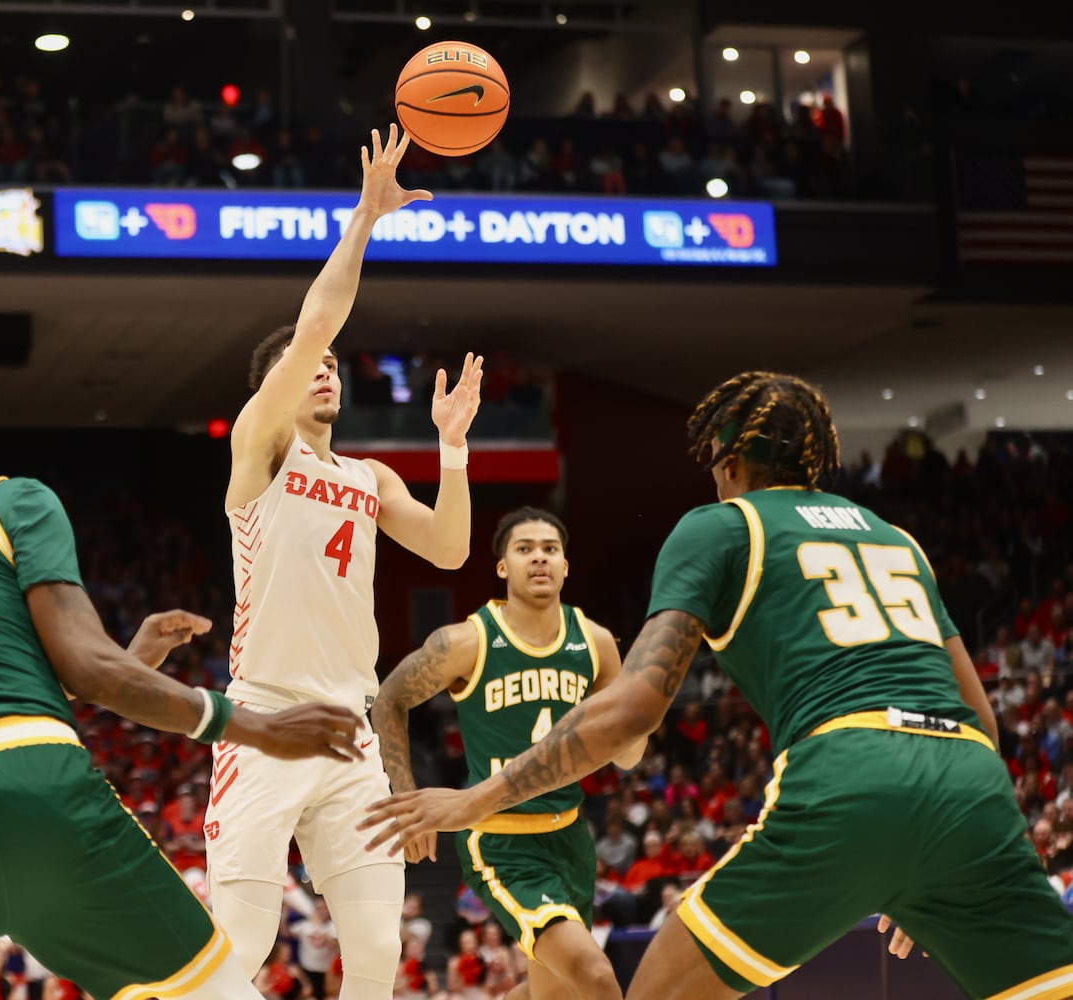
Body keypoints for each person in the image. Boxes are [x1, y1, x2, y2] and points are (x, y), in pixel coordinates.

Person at [363, 371, 1073, 1000]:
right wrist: (928, 856)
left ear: (730, 463)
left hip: (851, 775)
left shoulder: (720, 526)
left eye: (713, 465)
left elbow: (634, 708)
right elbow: (976, 712)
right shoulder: (892, 536)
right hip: (970, 790)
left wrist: (473, 798)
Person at [0, 347, 363, 1000]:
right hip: (37, 785)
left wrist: (129, 658)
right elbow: (85, 671)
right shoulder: (9, 502)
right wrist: (253, 726)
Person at [211, 121, 483, 998]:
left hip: (349, 726)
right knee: (239, 947)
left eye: (333, 365)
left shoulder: (367, 475)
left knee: (374, 951)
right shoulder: (261, 452)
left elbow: (448, 548)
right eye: (308, 364)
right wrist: (363, 220)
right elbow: (316, 321)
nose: (324, 369)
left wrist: (451, 449)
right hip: (259, 719)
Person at [372, 508, 640, 1000]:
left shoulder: (596, 643)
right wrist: (408, 798)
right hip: (501, 845)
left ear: (565, 566)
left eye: (550, 549)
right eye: (524, 549)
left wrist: (640, 701)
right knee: (598, 981)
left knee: (554, 995)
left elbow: (628, 755)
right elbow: (390, 699)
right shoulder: (467, 642)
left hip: (571, 840)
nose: (539, 557)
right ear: (502, 567)